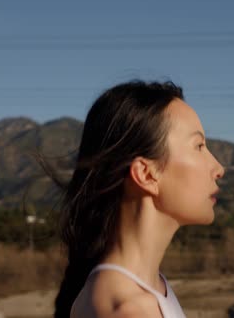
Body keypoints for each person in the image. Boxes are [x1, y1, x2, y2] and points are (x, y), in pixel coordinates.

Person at [51, 80, 225, 318]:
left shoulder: (148, 290)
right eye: (199, 146)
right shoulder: (129, 310)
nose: (218, 168)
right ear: (146, 174)